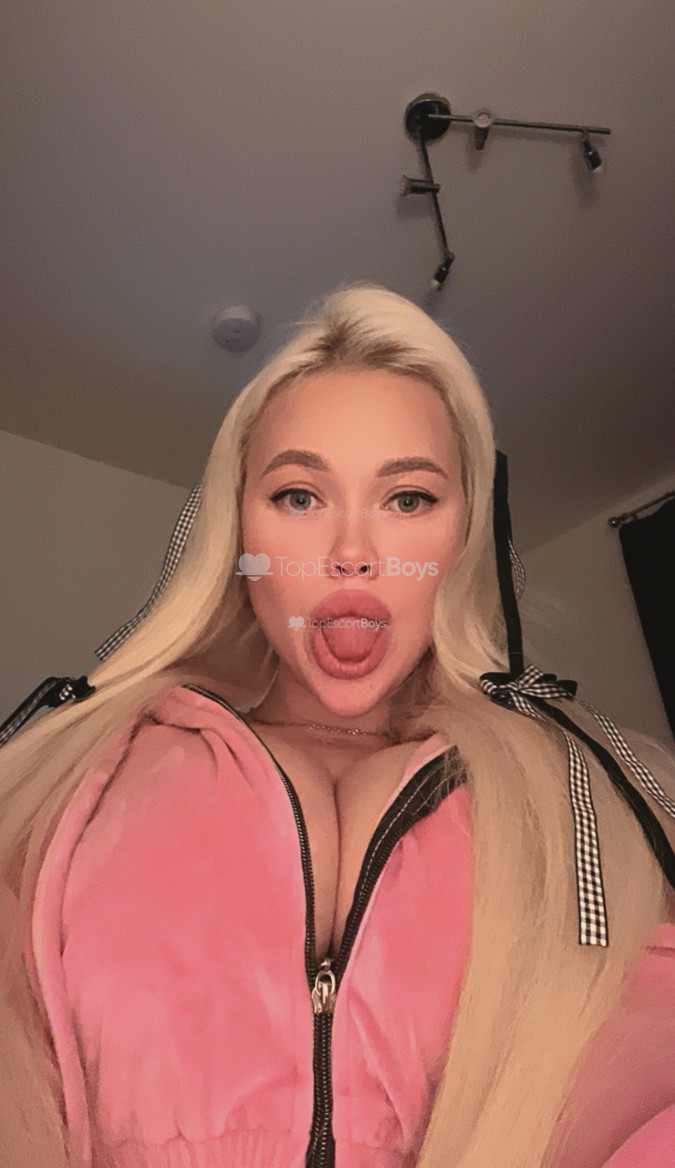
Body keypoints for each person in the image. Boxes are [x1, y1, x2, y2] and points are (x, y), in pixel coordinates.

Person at [0, 283, 674, 1168]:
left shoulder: (594, 799)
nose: (352, 551)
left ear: (464, 539)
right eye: (297, 496)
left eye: (408, 500)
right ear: (237, 538)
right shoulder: (79, 777)